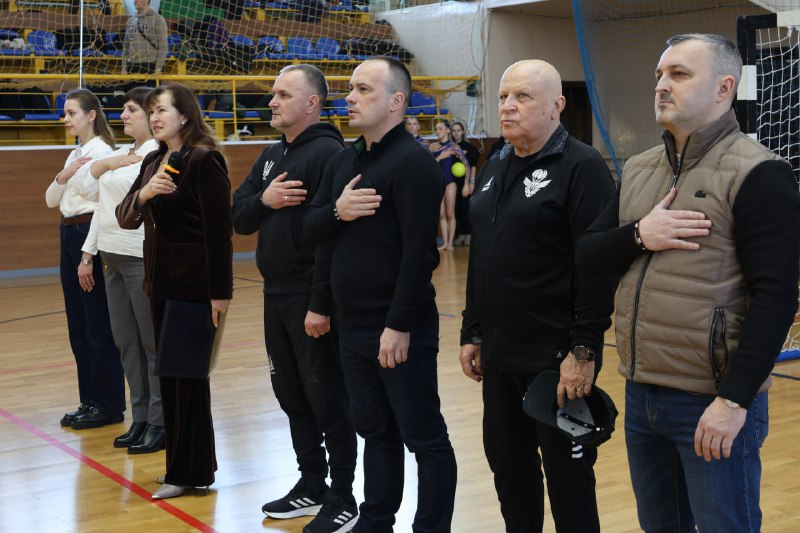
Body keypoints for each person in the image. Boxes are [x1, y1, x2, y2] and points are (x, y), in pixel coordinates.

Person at [576, 34, 800, 533]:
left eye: (679, 74)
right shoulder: (639, 169)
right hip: (643, 395)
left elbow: (777, 298)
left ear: (724, 88)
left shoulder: (760, 173)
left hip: (712, 401)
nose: (661, 85)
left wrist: (734, 401)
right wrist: (640, 235)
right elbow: (587, 256)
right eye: (659, 74)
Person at [459, 60, 617, 533]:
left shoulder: (582, 167)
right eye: (504, 96)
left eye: (522, 97)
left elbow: (598, 269)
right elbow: (482, 255)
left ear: (556, 106)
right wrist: (472, 330)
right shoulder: (496, 162)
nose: (507, 106)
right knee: (510, 473)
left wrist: (583, 351)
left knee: (569, 483)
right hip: (500, 356)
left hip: (557, 360)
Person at [305, 57, 457, 533]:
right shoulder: (345, 160)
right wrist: (338, 211)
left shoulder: (414, 164)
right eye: (350, 88)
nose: (348, 97)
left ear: (396, 101)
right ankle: (375, 521)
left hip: (398, 329)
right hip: (351, 327)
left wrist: (398, 325)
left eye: (362, 89)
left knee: (424, 438)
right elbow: (312, 229)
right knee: (375, 431)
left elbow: (420, 256)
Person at [231, 64, 358, 533]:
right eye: (273, 94)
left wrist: (320, 303)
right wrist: (264, 201)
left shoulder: (330, 154)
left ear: (312, 103)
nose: (272, 101)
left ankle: (343, 496)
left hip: (312, 296)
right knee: (291, 393)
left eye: (283, 94)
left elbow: (332, 238)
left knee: (327, 396)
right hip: (275, 293)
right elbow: (239, 216)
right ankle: (312, 483)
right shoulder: (270, 154)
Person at [116, 82, 233, 500]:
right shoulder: (153, 159)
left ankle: (187, 471)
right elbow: (125, 216)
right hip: (159, 285)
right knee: (170, 378)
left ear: (184, 115)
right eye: (151, 111)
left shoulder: (204, 160)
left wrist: (220, 293)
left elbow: (219, 233)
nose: (154, 118)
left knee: (187, 382)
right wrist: (145, 193)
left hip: (194, 287)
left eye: (162, 110)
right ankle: (185, 467)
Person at [78, 87, 164, 453]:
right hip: (111, 258)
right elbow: (90, 194)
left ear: (150, 114)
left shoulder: (156, 153)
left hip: (139, 258)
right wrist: (88, 254)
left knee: (151, 344)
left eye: (131, 110)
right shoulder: (125, 153)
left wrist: (106, 167)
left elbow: (134, 193)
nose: (123, 116)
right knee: (127, 344)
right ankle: (140, 417)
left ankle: (160, 422)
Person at [45, 89, 126, 430]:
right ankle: (89, 400)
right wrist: (64, 176)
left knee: (97, 324)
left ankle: (109, 404)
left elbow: (96, 199)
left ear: (91, 115)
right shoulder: (76, 153)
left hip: (87, 234)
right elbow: (51, 199)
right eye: (65, 113)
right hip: (68, 232)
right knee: (78, 325)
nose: (65, 118)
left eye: (71, 113)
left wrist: (87, 256)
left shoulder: (102, 152)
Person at [429, 118, 468, 251]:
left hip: (450, 183)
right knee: (441, 214)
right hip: (437, 183)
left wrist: (467, 184)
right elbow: (429, 165)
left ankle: (450, 243)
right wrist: (441, 156)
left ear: (447, 130)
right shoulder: (433, 146)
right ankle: (445, 243)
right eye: (436, 129)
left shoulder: (454, 147)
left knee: (450, 214)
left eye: (440, 129)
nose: (437, 131)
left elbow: (467, 165)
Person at [449, 119, 479, 246]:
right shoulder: (449, 148)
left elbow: (473, 166)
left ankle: (469, 234)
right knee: (456, 208)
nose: (456, 133)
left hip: (465, 182)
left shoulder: (470, 148)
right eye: (453, 131)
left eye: (458, 130)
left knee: (466, 207)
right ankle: (460, 233)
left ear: (463, 132)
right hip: (452, 182)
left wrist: (471, 182)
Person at [122, 0, 168, 75]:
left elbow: (163, 46)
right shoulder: (131, 21)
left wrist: (158, 68)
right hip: (132, 66)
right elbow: (126, 47)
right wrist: (124, 68)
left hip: (150, 65)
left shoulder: (158, 19)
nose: (134, 1)